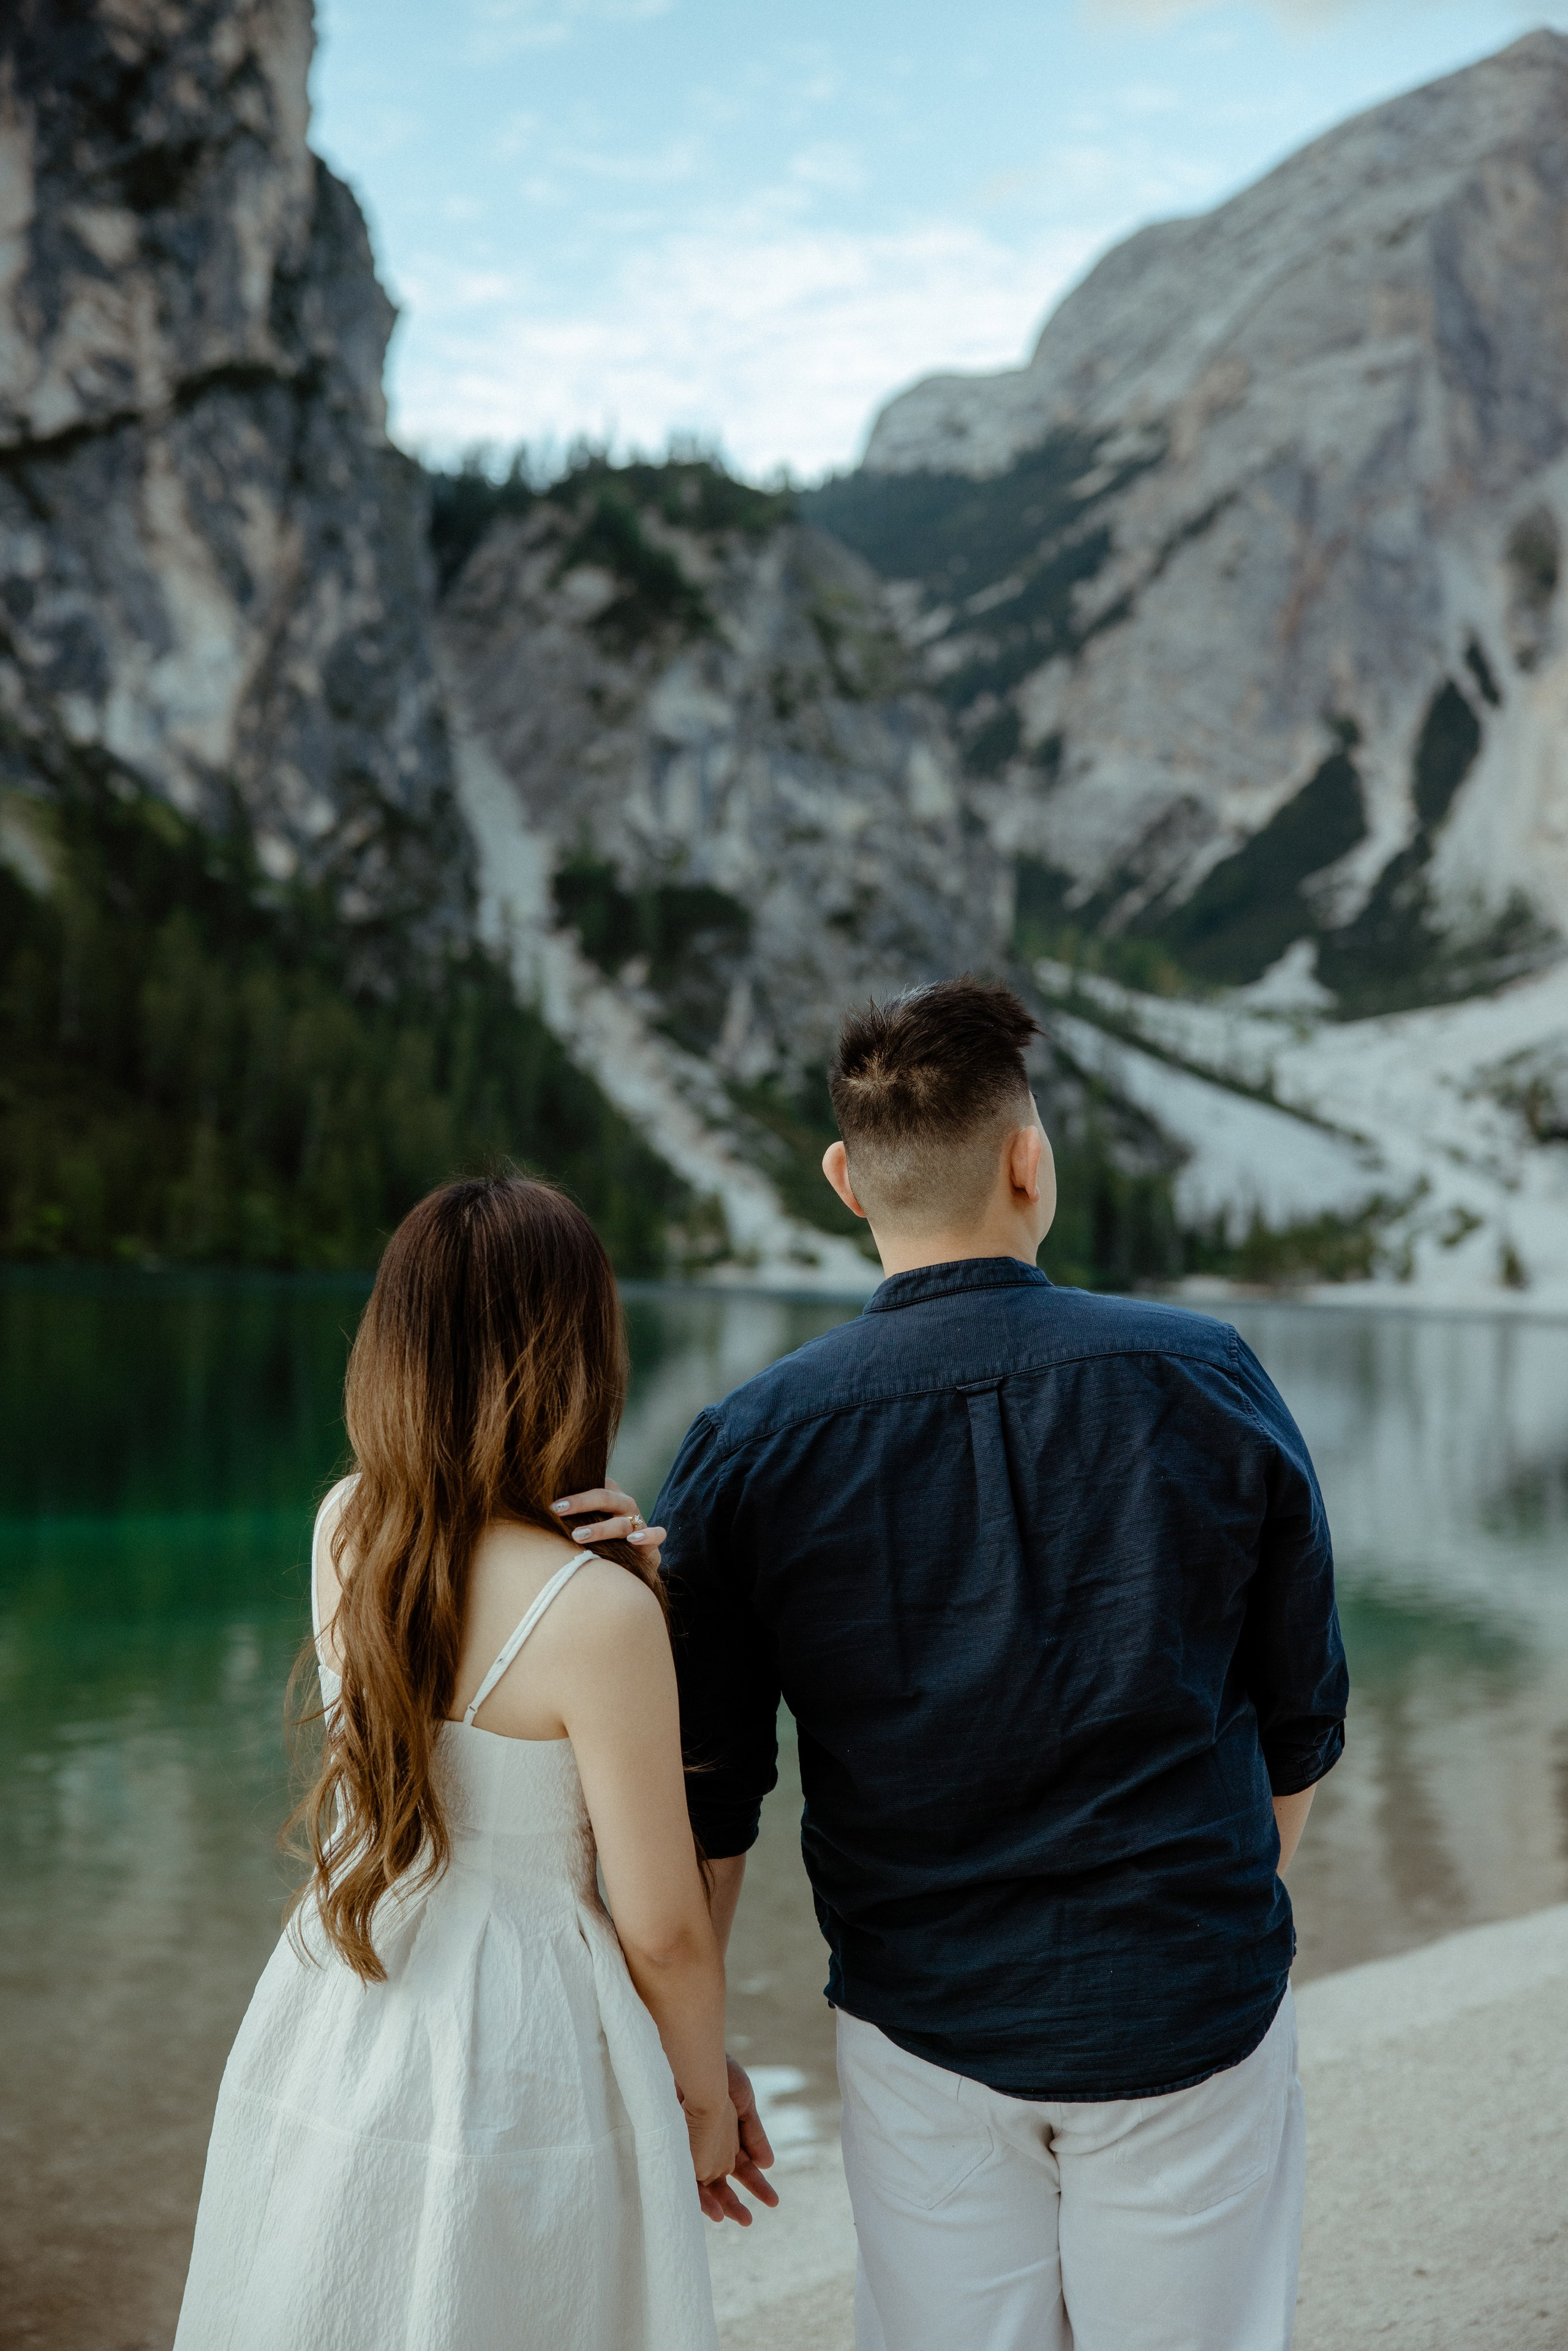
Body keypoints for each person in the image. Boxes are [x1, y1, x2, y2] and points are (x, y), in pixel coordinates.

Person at [655, 977, 1349, 2351]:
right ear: (1026, 1160)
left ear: (845, 1178)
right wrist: (1196, 1916)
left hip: (920, 2023)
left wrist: (688, 2061)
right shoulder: (1205, 1373)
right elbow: (1299, 1718)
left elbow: (708, 1798)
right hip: (1186, 2004)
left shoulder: (748, 1441)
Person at [175, 1174, 775, 2351]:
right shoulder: (598, 1616)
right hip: (526, 2029)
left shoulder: (348, 1524)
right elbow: (663, 1928)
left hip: (351, 1983)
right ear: (573, 1357)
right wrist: (703, 2101)